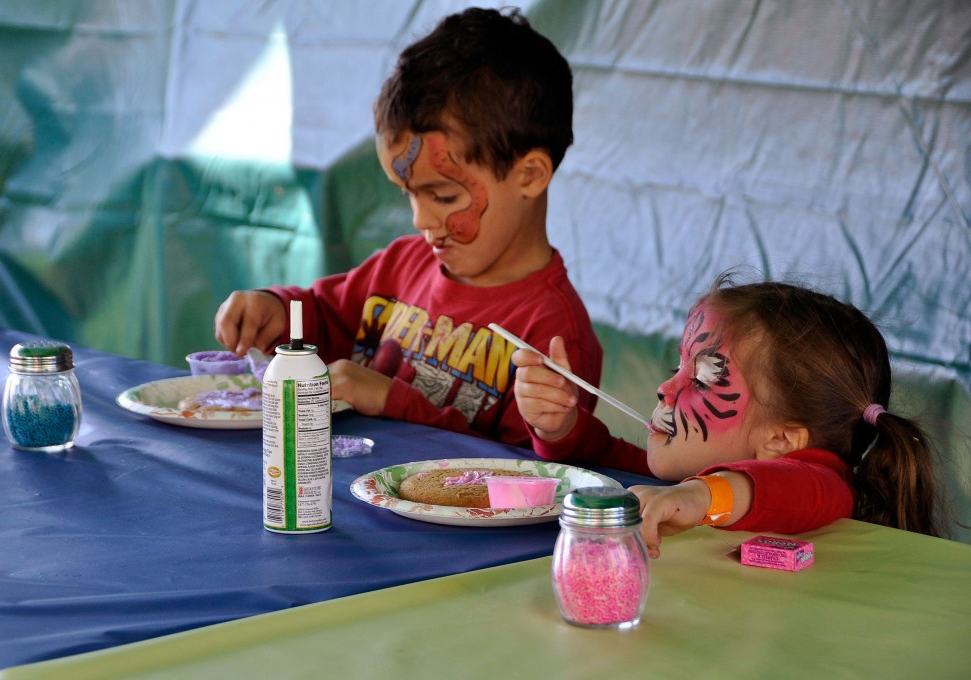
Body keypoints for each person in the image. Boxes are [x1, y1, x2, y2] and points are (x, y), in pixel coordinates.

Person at [214, 8, 602, 447]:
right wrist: (276, 311)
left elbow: (524, 480)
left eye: (444, 196)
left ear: (529, 175)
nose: (421, 220)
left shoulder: (554, 336)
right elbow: (324, 316)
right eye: (408, 194)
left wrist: (393, 401)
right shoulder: (402, 265)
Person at [513, 275, 941, 557]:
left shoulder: (825, 487)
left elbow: (798, 485)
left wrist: (702, 497)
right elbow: (609, 464)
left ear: (780, 441)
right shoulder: (685, 474)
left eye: (700, 380)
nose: (665, 389)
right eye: (675, 368)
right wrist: (562, 428)